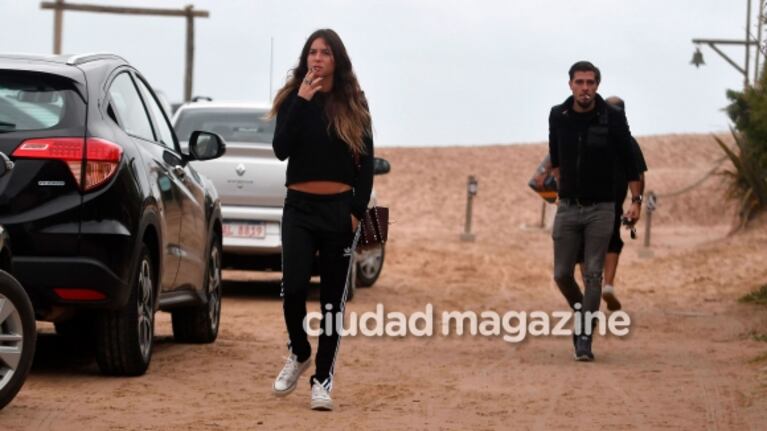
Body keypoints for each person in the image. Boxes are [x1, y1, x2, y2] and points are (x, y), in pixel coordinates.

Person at [269, 28, 374, 411]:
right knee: (293, 288)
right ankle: (299, 351)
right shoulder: (293, 99)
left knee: (333, 302)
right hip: (298, 208)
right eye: (312, 52)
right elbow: (281, 149)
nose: (316, 59)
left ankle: (322, 380)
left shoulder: (355, 104)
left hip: (338, 213)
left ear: (337, 60)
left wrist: (355, 214)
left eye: (325, 53)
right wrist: (300, 101)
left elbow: (366, 166)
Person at [548, 61, 642, 361]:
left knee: (592, 275)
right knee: (562, 274)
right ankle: (584, 312)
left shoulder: (612, 117)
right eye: (580, 82)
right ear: (570, 85)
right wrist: (562, 188)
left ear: (597, 85)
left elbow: (630, 161)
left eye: (590, 82)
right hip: (568, 206)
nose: (585, 88)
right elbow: (555, 155)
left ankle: (585, 336)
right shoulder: (558, 115)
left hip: (602, 208)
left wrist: (636, 201)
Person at [597, 96, 648, 311]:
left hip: (590, 197)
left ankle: (592, 285)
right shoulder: (629, 141)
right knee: (612, 241)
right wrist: (636, 202)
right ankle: (608, 284)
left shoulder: (595, 135)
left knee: (585, 242)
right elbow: (638, 175)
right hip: (614, 200)